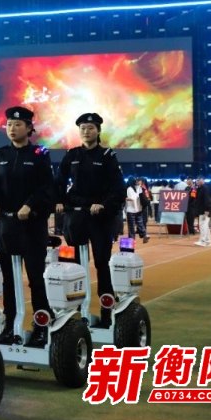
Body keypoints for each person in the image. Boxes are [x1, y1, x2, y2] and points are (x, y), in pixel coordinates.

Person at [0, 106, 55, 347]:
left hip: (32, 226)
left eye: (18, 125)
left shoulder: (39, 153)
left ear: (29, 128)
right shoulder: (0, 155)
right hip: (7, 226)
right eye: (9, 125)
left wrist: (30, 205)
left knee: (35, 278)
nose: (12, 129)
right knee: (9, 280)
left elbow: (46, 187)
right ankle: (10, 326)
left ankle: (41, 326)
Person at [55, 113, 126, 328]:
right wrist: (59, 201)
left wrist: (103, 205)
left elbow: (117, 187)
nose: (86, 132)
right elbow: (59, 181)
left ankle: (106, 311)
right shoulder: (72, 155)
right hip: (76, 216)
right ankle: (76, 309)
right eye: (83, 128)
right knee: (76, 266)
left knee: (102, 263)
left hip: (99, 217)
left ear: (98, 131)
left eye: (90, 128)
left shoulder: (107, 155)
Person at [125, 177, 149, 243]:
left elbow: (131, 198)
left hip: (131, 210)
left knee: (131, 226)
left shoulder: (129, 189)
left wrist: (125, 198)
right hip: (139, 209)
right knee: (140, 224)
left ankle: (132, 240)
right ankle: (145, 234)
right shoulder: (139, 188)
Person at [194, 175, 211, 247]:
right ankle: (208, 241)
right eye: (196, 180)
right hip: (201, 209)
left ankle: (203, 241)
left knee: (203, 226)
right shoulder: (200, 188)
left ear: (202, 180)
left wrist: (207, 210)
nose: (197, 181)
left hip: (204, 210)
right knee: (205, 226)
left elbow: (208, 200)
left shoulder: (205, 188)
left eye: (198, 180)